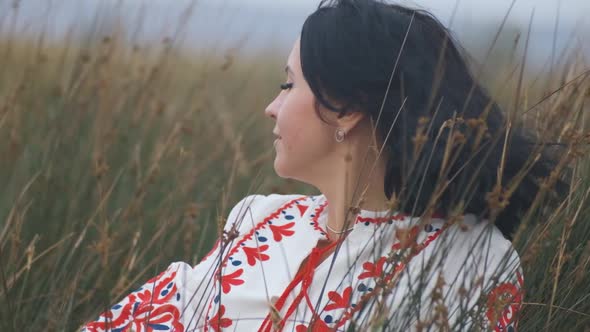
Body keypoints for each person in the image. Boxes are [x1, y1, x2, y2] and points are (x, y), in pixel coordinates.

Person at [81, 0, 561, 330]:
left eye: (289, 85)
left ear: (345, 107)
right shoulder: (258, 220)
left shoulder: (474, 261)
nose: (272, 106)